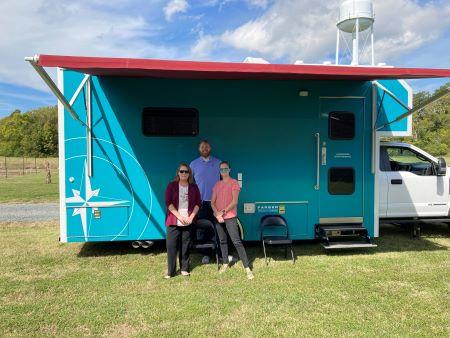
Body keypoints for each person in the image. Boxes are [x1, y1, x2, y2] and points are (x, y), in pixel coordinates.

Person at [211, 161, 254, 280]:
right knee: (222, 241)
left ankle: (247, 267)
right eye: (221, 169)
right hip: (218, 217)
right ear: (219, 171)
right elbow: (212, 202)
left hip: (230, 216)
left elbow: (234, 202)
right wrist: (216, 213)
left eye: (225, 169)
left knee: (236, 242)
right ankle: (225, 263)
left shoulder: (234, 183)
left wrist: (222, 212)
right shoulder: (217, 184)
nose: (223, 171)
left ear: (229, 170)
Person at [164, 163, 201, 278]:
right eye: (182, 171)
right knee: (171, 247)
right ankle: (171, 271)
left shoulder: (194, 187)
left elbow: (198, 203)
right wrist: (179, 217)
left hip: (188, 221)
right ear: (178, 173)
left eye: (186, 171)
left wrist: (191, 217)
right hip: (174, 220)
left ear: (189, 174)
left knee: (185, 247)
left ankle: (184, 269)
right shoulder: (172, 186)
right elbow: (168, 203)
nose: (184, 173)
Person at [190, 140, 222, 264]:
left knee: (218, 228)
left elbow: (222, 183)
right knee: (203, 230)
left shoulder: (218, 163)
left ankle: (219, 254)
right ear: (199, 149)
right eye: (202, 147)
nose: (205, 148)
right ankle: (206, 255)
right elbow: (191, 185)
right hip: (201, 203)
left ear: (210, 148)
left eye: (207, 146)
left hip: (216, 203)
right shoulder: (193, 164)